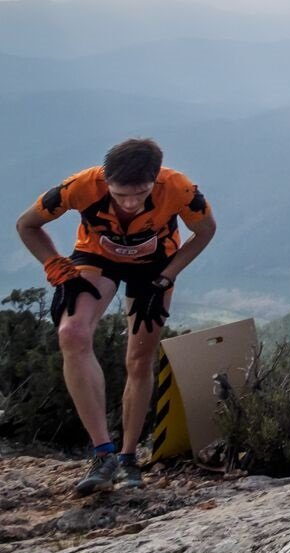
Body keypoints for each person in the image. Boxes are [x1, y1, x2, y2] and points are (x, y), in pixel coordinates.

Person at [14, 138, 215, 496]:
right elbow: (27, 224)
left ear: (156, 178)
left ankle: (127, 457)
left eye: (139, 193)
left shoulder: (180, 189)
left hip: (154, 269)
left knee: (139, 360)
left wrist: (170, 275)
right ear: (106, 179)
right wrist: (55, 266)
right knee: (72, 334)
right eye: (120, 194)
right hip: (96, 258)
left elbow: (205, 230)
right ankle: (102, 452)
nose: (129, 202)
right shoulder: (79, 186)